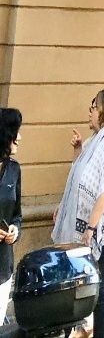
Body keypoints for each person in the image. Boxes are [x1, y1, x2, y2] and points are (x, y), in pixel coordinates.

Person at [53, 88, 104, 338]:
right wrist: (64, 208)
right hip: (85, 226)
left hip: (98, 231)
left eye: (93, 107)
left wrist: (91, 228)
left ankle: (98, 334)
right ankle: (84, 331)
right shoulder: (96, 140)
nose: (90, 112)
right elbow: (82, 176)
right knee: (85, 283)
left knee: (99, 285)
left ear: (103, 111)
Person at [0, 109, 22, 325]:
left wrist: (15, 230)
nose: (20, 138)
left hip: (2, 266)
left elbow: (17, 215)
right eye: (16, 132)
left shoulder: (14, 170)